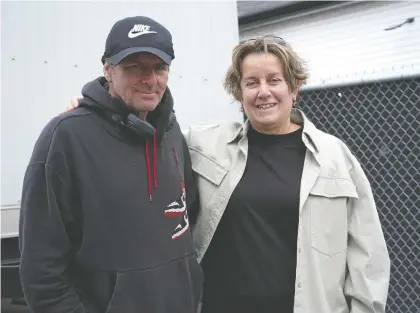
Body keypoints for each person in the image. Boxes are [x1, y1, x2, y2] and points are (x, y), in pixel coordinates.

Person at [67, 35, 391, 313]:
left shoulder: (334, 157)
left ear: (295, 87)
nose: (263, 92)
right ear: (239, 93)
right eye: (251, 83)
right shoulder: (205, 144)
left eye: (274, 80)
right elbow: (144, 134)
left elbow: (368, 257)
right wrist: (95, 116)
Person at [19, 16, 203, 313]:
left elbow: (188, 216)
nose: (150, 79)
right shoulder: (66, 137)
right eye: (135, 67)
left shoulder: (170, 131)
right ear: (107, 69)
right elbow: (42, 271)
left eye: (160, 67)